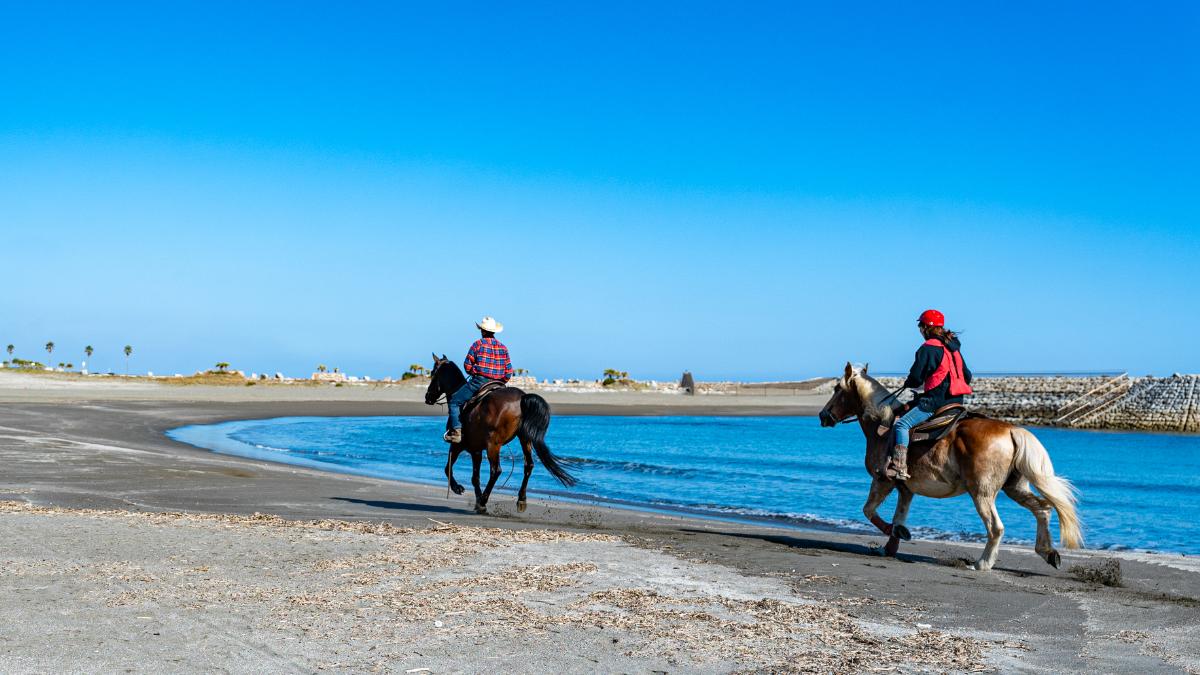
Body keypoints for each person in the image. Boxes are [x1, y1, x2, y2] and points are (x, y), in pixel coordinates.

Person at [886, 309, 974, 480]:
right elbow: (967, 376)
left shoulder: (928, 348)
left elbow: (916, 378)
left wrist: (909, 383)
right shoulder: (954, 348)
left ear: (926, 327)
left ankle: (899, 467)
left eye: (920, 326)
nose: (920, 330)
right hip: (957, 402)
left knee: (901, 425)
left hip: (935, 402)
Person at [444, 316, 514, 443]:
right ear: (494, 331)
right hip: (499, 384)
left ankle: (457, 432)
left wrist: (474, 371)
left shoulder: (477, 344)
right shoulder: (503, 347)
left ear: (483, 331)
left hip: (480, 382)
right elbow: (508, 372)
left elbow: (467, 365)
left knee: (454, 401)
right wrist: (501, 381)